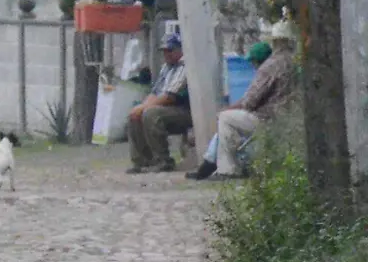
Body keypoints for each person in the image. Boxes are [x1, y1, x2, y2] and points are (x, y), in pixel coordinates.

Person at [190, 19, 298, 182]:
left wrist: (232, 108)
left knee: (225, 118)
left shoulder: (271, 65)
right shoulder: (296, 62)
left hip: (268, 118)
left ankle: (227, 169)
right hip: (292, 119)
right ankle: (212, 164)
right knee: (229, 119)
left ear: (275, 42)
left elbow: (250, 101)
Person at [127, 31, 192, 174]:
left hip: (184, 110)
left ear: (180, 49)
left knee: (150, 113)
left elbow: (170, 96)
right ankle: (142, 161)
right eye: (164, 51)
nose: (166, 54)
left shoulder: (185, 66)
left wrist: (145, 107)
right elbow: (155, 92)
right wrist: (140, 108)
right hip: (166, 107)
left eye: (170, 50)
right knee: (135, 114)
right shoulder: (166, 68)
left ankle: (163, 160)